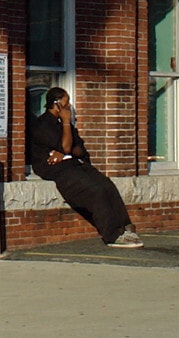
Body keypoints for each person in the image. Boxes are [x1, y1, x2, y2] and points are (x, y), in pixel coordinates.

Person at [27, 86, 142, 248]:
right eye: (66, 104)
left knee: (106, 184)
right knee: (96, 190)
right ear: (56, 104)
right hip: (57, 169)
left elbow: (78, 149)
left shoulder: (66, 126)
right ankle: (112, 235)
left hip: (73, 164)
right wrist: (66, 126)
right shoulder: (44, 124)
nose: (69, 108)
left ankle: (124, 226)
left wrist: (66, 151)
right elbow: (66, 147)